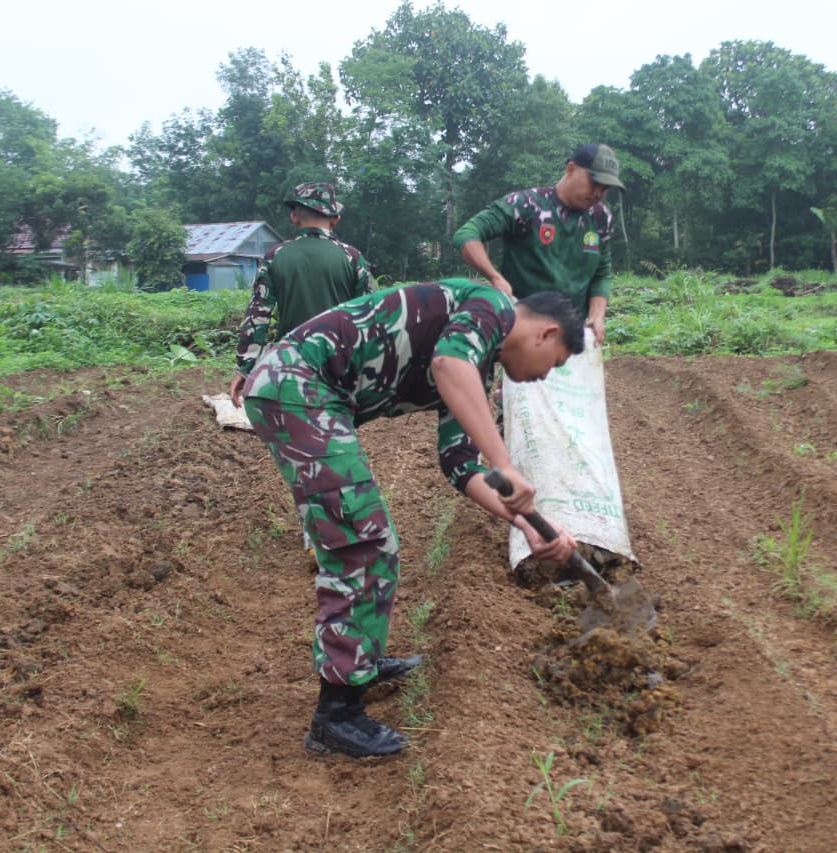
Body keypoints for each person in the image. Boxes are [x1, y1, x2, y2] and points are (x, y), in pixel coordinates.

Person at [241, 279, 584, 758]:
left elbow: (460, 463)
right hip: (296, 387)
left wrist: (526, 526)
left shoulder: (477, 363)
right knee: (363, 545)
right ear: (546, 334)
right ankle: (335, 716)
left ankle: (361, 661)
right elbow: (448, 363)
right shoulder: (492, 308)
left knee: (371, 541)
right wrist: (505, 463)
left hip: (309, 391)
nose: (545, 376)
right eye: (557, 363)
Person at [452, 143, 624, 346]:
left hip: (570, 336)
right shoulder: (527, 205)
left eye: (605, 189)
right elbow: (467, 234)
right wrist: (495, 277)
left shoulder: (600, 216)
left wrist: (597, 315)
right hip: (522, 332)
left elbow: (601, 271)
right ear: (571, 169)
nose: (598, 193)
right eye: (594, 183)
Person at [229, 181, 375, 407]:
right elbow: (369, 318)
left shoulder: (275, 256)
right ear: (335, 219)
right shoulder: (353, 258)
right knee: (333, 432)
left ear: (294, 217)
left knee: (293, 431)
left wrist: (245, 367)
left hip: (290, 365)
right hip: (339, 368)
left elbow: (257, 317)